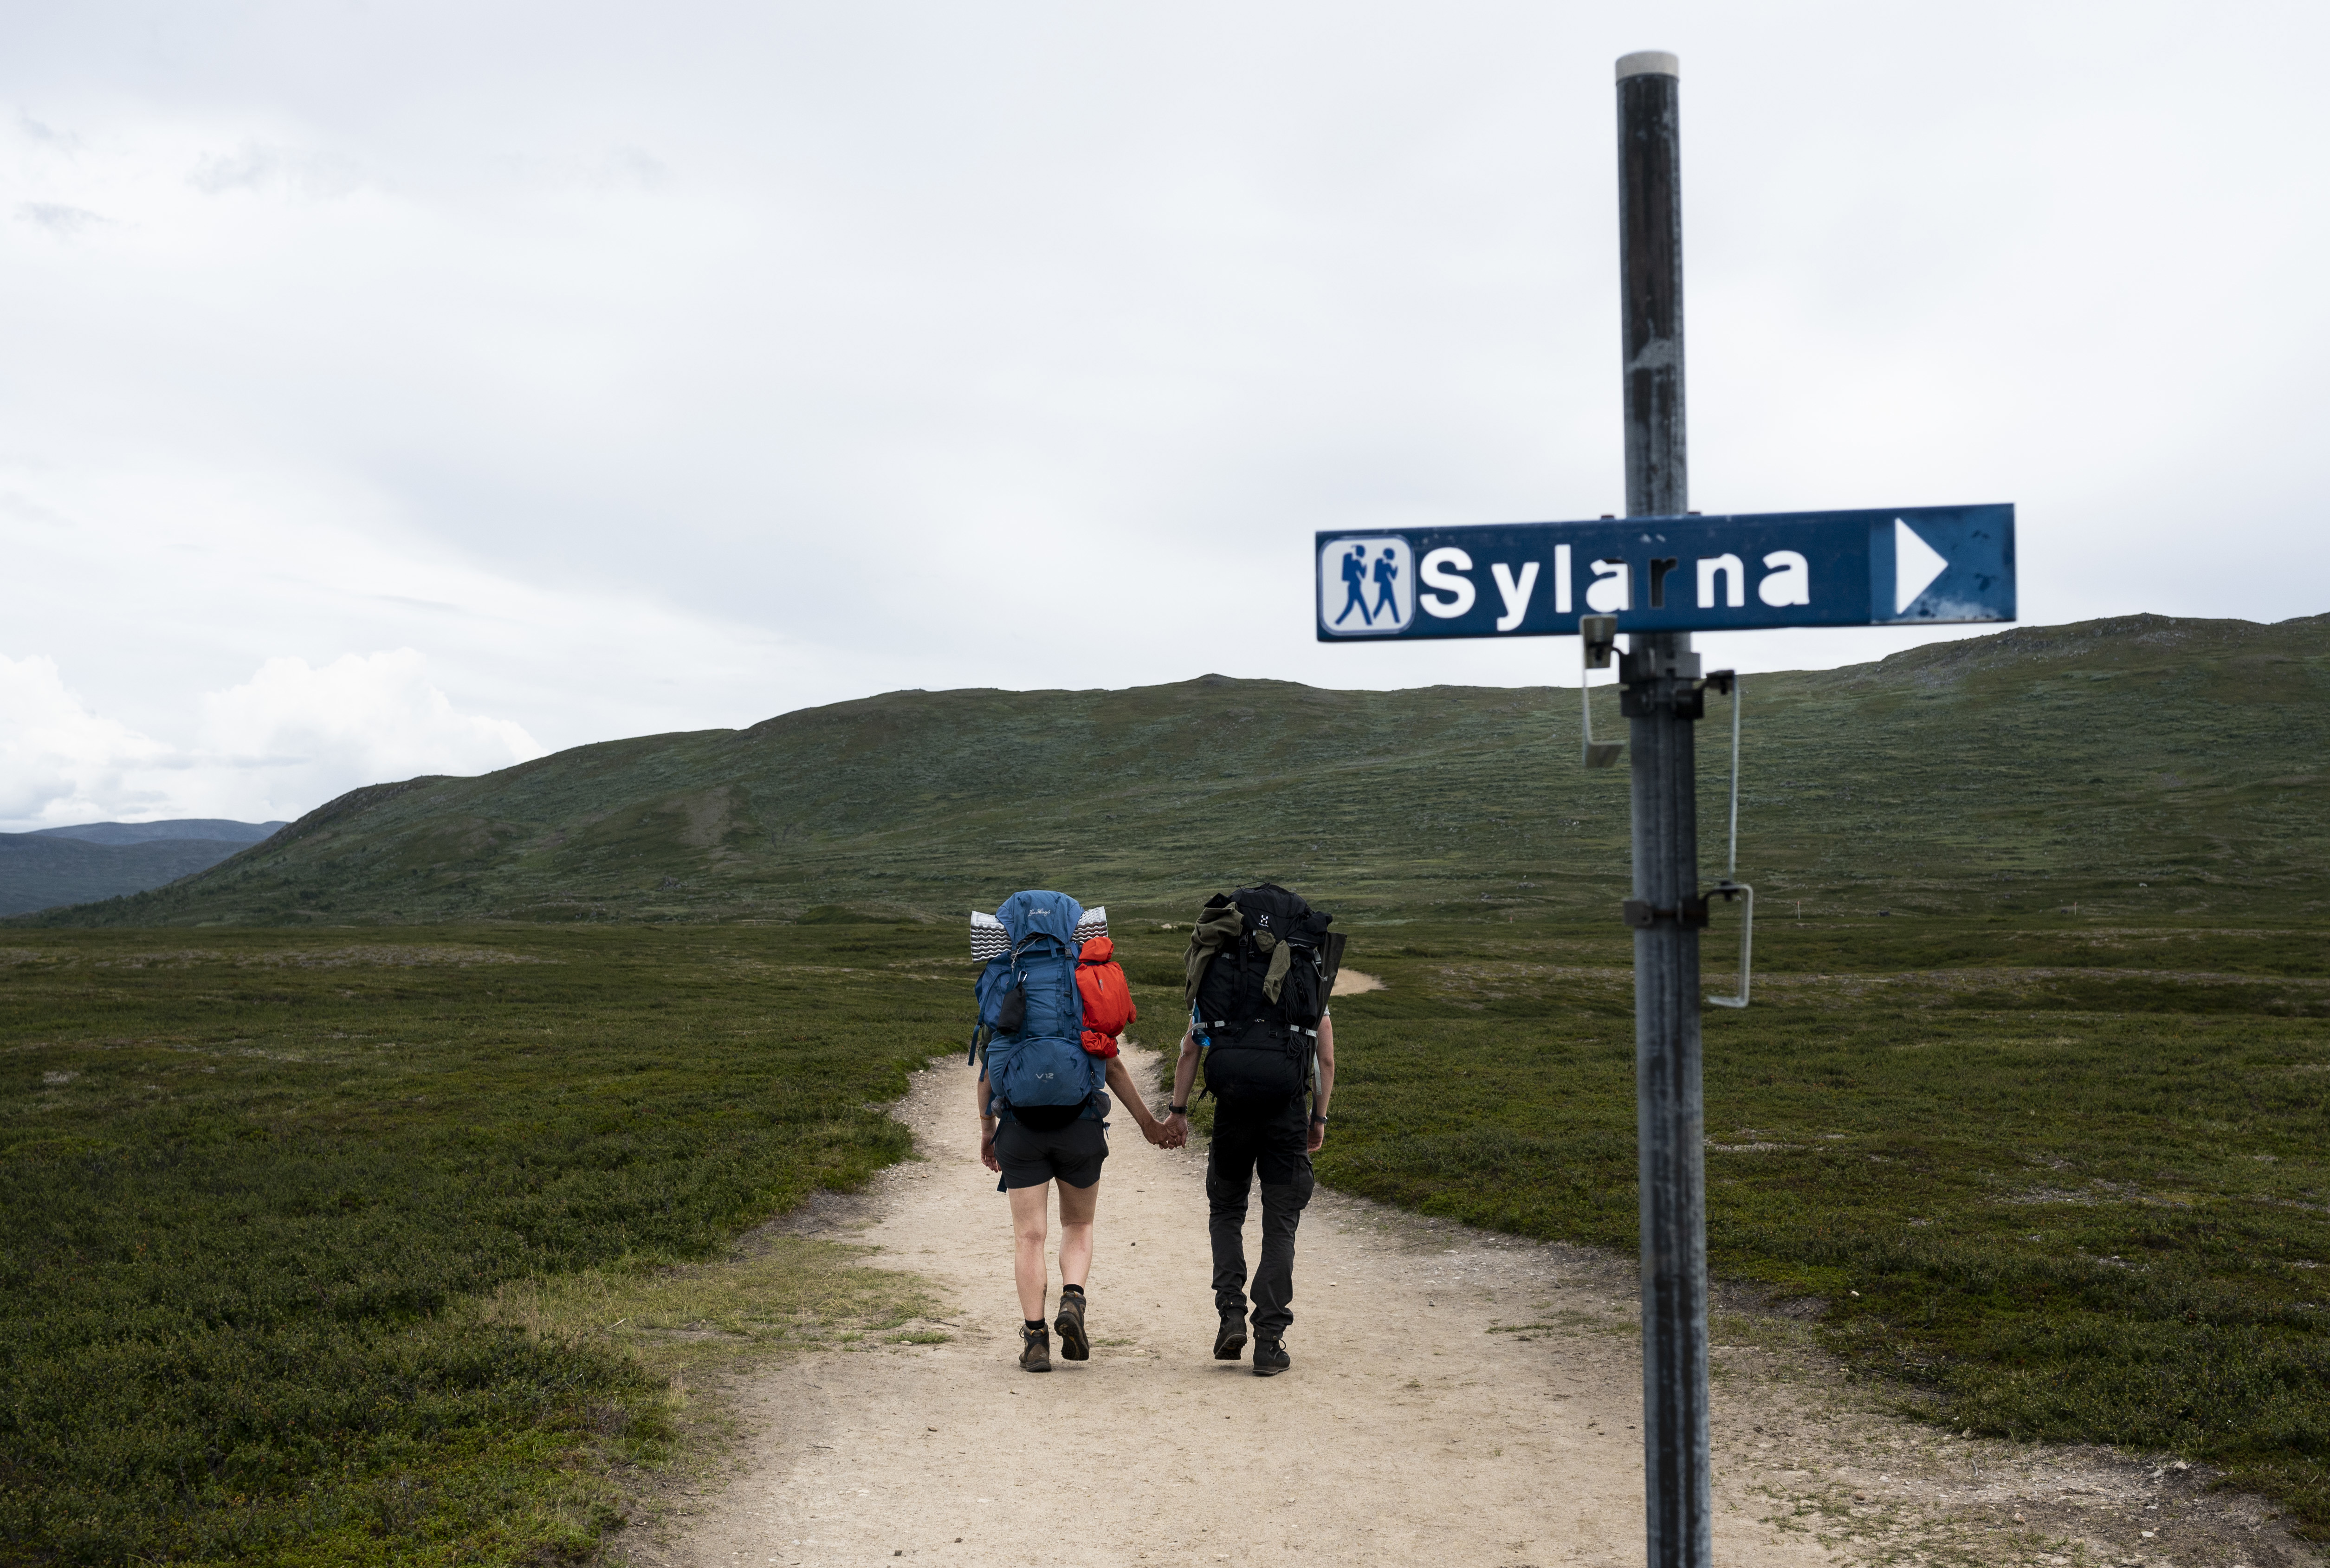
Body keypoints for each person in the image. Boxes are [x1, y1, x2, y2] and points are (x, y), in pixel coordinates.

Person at [975, 916, 1171, 1373]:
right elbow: (1113, 1066)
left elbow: (987, 1074)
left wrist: (988, 1132)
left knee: (1029, 1236)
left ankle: (1036, 1341)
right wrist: (1148, 1124)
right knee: (1078, 1224)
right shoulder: (1086, 981)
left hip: (1020, 1129)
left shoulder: (1006, 979)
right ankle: (1073, 1300)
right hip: (1080, 1126)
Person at [1161, 886, 1338, 1378]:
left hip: (1232, 1111)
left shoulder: (1220, 970)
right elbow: (1324, 1060)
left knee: (1226, 1211)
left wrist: (1178, 1111)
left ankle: (1231, 1314)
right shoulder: (1306, 971)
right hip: (1286, 1113)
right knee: (1280, 1222)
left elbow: (1190, 1049)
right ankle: (1269, 1340)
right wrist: (1318, 1119)